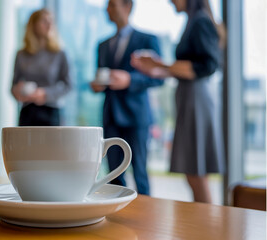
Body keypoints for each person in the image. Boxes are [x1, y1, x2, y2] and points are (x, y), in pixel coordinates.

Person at [131, 0, 224, 203]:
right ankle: (205, 227)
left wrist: (161, 64)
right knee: (193, 172)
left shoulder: (200, 22)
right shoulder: (194, 21)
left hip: (196, 99)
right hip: (191, 98)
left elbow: (206, 66)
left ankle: (206, 229)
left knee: (196, 172)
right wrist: (157, 68)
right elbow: (187, 68)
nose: (170, 1)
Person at [90, 0, 164, 195]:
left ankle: (145, 220)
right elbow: (102, 77)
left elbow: (158, 78)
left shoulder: (148, 39)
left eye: (112, 5)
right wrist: (98, 85)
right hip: (111, 115)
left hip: (137, 116)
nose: (107, 9)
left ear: (127, 7)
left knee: (140, 172)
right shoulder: (103, 45)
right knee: (113, 174)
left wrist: (129, 79)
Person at [11, 9, 71, 126]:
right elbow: (13, 86)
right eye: (44, 21)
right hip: (28, 111)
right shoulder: (21, 54)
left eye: (51, 21)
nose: (49, 25)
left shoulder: (60, 53)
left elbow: (68, 85)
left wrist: (44, 93)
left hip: (51, 111)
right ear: (33, 25)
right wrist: (18, 91)